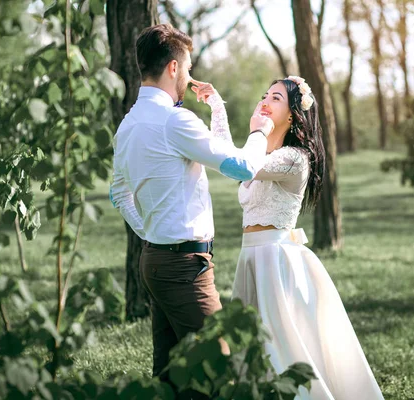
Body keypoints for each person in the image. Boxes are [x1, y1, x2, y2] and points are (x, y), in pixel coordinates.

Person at [109, 23, 274, 389]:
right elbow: (241, 166)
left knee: (171, 380)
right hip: (184, 268)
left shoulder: (127, 125)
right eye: (187, 67)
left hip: (155, 261)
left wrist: (151, 232)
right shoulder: (174, 121)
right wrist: (260, 130)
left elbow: (118, 194)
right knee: (221, 374)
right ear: (172, 67)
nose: (188, 76)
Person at [232, 76, 385, 400]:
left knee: (282, 344)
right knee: (252, 346)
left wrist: (257, 131)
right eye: (264, 94)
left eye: (275, 98)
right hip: (250, 259)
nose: (265, 101)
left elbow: (243, 168)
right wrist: (217, 106)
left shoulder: (294, 158)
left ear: (292, 114)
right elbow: (231, 160)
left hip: (275, 261)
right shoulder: (264, 152)